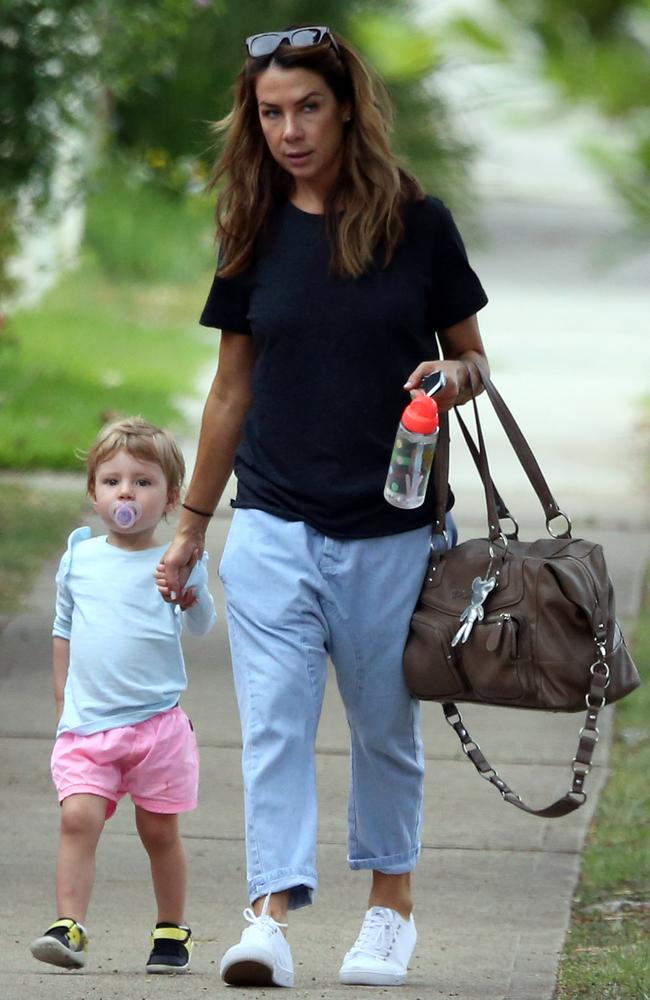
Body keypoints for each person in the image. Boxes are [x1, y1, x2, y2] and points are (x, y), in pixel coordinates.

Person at [157, 24, 489, 989]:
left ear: (346, 108)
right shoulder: (251, 226)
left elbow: (473, 357)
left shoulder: (419, 222)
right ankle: (267, 916)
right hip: (272, 525)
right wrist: (189, 525)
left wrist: (455, 376)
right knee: (274, 728)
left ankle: (390, 912)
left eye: (307, 108)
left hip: (393, 531)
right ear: (252, 122)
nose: (290, 130)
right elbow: (230, 391)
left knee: (384, 727)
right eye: (271, 113)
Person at [30, 417, 216, 974]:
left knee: (159, 830)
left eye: (143, 481)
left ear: (171, 499)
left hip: (156, 725)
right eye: (112, 481)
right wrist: (62, 693)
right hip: (88, 725)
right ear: (94, 493)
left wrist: (188, 595)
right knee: (78, 819)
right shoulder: (80, 558)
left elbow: (203, 623)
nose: (126, 493)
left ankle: (170, 930)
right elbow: (63, 625)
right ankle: (68, 925)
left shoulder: (177, 562)